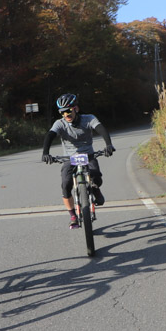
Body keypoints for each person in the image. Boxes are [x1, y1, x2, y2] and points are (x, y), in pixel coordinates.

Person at [40, 93, 115, 229]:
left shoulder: (88, 119)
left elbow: (101, 129)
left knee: (97, 176)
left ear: (76, 109)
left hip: (88, 154)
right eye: (62, 112)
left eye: (68, 110)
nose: (66, 114)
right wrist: (46, 153)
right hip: (70, 158)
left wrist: (108, 144)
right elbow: (50, 135)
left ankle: (95, 188)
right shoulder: (60, 123)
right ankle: (73, 215)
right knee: (66, 184)